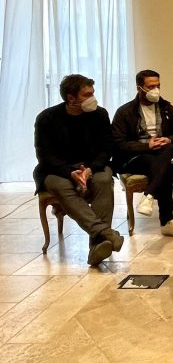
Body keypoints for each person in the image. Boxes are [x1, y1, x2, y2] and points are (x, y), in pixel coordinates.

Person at [33, 74, 124, 266]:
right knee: (60, 185)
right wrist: (70, 173)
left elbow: (107, 148)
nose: (93, 98)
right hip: (57, 170)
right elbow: (45, 156)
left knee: (104, 179)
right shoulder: (47, 118)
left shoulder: (100, 115)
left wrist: (90, 169)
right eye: (87, 94)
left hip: (92, 166)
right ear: (71, 98)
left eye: (93, 93)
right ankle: (105, 233)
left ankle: (97, 246)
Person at [112, 70, 173, 238]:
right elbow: (119, 144)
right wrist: (146, 145)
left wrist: (168, 139)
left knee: (167, 152)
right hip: (134, 158)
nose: (156, 90)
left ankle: (149, 196)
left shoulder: (167, 108)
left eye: (158, 86)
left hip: (162, 154)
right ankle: (167, 221)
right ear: (139, 88)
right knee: (165, 163)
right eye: (151, 87)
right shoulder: (124, 112)